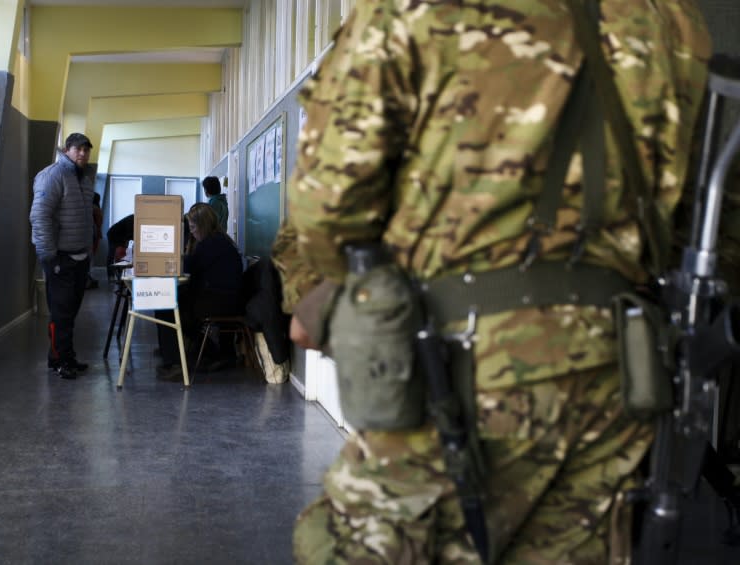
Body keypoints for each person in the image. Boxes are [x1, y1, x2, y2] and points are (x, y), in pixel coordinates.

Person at [272, 2, 712, 563]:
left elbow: (328, 207)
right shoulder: (671, 16)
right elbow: (712, 223)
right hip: (619, 371)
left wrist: (337, 294)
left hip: (458, 364)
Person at [30, 132, 96, 379]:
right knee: (61, 313)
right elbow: (40, 217)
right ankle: (60, 360)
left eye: (86, 150)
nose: (83, 153)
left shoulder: (84, 180)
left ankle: (63, 356)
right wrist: (49, 256)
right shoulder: (53, 176)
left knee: (70, 312)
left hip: (79, 258)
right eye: (78, 149)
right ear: (67, 149)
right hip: (60, 259)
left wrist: (88, 253)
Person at [155, 203, 244, 381]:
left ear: (202, 225)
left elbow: (189, 266)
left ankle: (173, 362)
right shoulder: (219, 240)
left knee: (166, 306)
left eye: (193, 227)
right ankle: (176, 348)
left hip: (221, 300)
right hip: (226, 297)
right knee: (179, 304)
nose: (192, 232)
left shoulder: (210, 244)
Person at [105, 213, 134, 280]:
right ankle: (111, 276)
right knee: (112, 254)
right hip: (113, 234)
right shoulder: (132, 219)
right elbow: (129, 235)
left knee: (121, 254)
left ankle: (119, 273)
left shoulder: (133, 219)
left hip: (120, 235)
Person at [86, 192, 103, 289]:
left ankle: (88, 278)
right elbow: (99, 223)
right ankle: (88, 278)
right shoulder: (96, 208)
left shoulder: (91, 208)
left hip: (92, 234)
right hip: (95, 234)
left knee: (89, 256)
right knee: (91, 255)